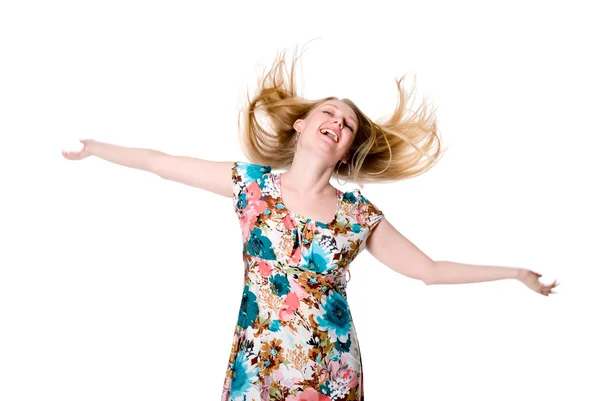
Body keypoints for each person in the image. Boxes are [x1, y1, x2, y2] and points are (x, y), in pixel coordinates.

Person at [61, 47, 559, 400]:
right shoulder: (252, 186)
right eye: (330, 113)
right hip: (258, 368)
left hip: (330, 370)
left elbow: (428, 269)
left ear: (347, 151)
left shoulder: (359, 216)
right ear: (301, 124)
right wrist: (95, 149)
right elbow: (159, 161)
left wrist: (514, 274)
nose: (338, 123)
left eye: (347, 126)